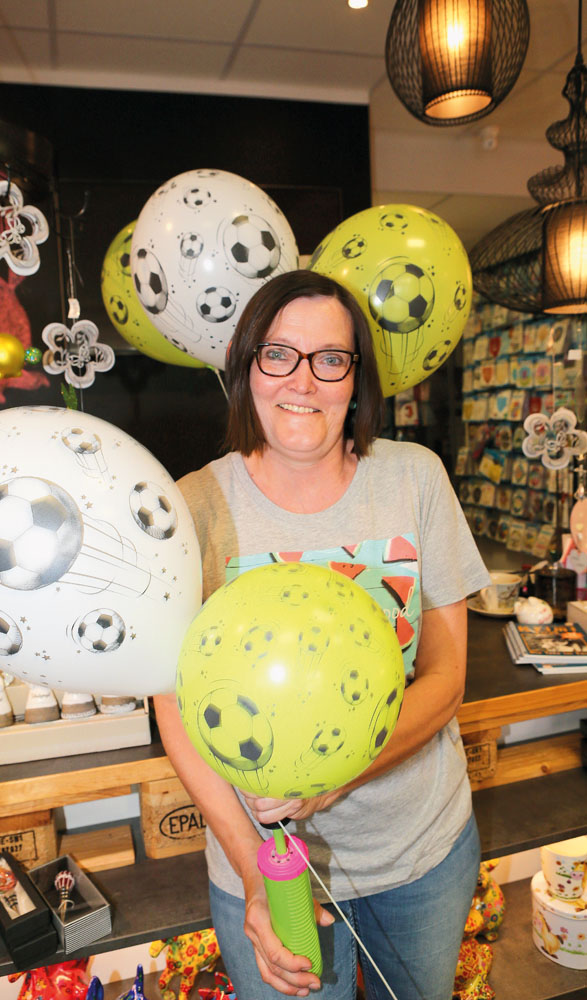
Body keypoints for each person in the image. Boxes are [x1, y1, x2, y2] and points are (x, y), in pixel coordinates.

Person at [154, 269, 491, 1000]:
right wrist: (249, 872)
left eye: (329, 359)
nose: (301, 381)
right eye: (278, 354)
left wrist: (341, 774)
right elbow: (173, 704)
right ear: (247, 368)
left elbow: (446, 675)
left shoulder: (414, 479)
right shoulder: (193, 506)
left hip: (422, 852)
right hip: (268, 865)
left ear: (355, 378)